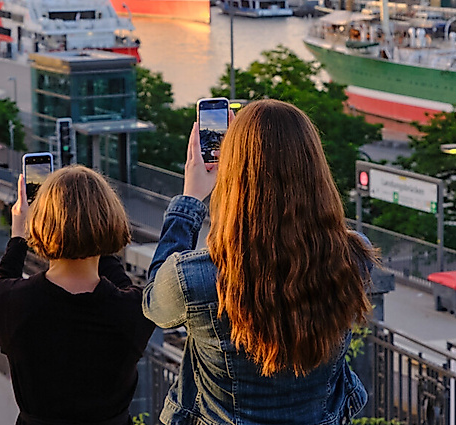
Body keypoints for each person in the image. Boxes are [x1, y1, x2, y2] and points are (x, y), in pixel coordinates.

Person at [148, 99, 372, 425]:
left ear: (232, 175)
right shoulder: (353, 260)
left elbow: (154, 303)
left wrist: (189, 200)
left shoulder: (193, 279)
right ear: (315, 172)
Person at [0, 166, 155, 425]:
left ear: (36, 225)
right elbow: (121, 287)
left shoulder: (9, 304)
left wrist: (18, 238)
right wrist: (93, 228)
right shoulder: (133, 311)